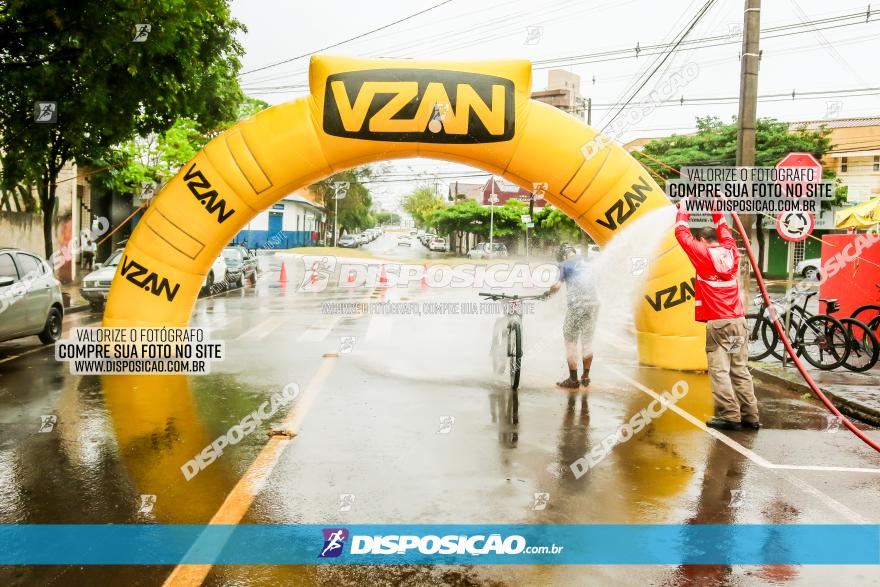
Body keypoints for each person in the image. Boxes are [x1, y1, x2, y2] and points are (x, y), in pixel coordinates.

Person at [674, 202, 760, 431]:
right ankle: (751, 415)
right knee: (740, 368)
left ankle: (730, 415)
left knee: (720, 370)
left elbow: (680, 232)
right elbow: (724, 227)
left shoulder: (702, 253)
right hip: (738, 322)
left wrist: (685, 207)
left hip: (718, 324)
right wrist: (717, 207)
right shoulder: (731, 250)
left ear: (702, 240)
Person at [543, 243, 599, 389]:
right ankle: (586, 376)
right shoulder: (589, 261)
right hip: (593, 305)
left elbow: (556, 286)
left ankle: (573, 380)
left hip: (576, 306)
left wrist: (548, 294)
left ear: (562, 256)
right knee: (587, 343)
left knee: (571, 343)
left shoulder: (564, 264)